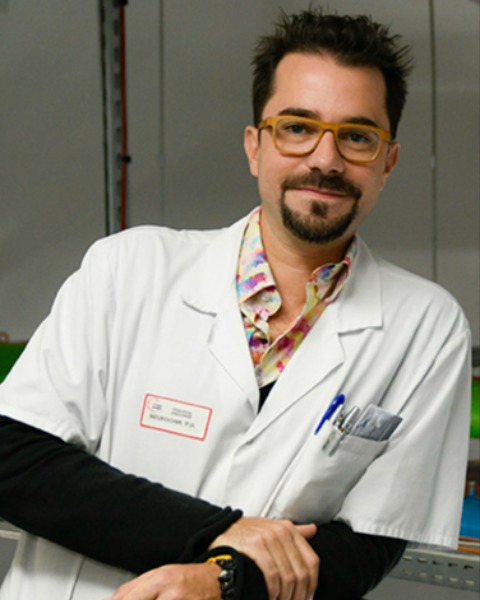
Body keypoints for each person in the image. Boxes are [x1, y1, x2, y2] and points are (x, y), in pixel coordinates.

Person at [0, 7, 472, 600]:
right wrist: (219, 533)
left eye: (357, 137)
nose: (325, 159)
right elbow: (14, 459)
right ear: (255, 146)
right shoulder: (129, 268)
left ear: (387, 163)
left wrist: (221, 579)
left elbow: (366, 546)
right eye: (297, 127)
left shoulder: (426, 327)